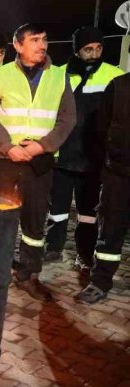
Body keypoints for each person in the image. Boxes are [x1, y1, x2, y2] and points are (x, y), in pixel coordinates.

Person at [0, 23, 75, 301]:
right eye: (34, 40)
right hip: (1, 159)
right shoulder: (1, 74)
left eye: (44, 39)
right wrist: (8, 147)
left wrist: (42, 146)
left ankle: (29, 272)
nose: (41, 45)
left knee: (34, 219)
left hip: (40, 161)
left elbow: (67, 119)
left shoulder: (59, 76)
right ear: (18, 45)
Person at [44, 26, 124, 272]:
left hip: (92, 159)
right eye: (88, 49)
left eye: (98, 48)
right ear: (77, 51)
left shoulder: (114, 75)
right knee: (56, 210)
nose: (94, 53)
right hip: (61, 155)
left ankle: (85, 255)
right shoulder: (58, 75)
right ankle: (52, 249)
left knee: (88, 214)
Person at [79, 70, 130, 304]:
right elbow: (101, 129)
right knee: (110, 230)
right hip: (118, 173)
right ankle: (100, 281)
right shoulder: (118, 86)